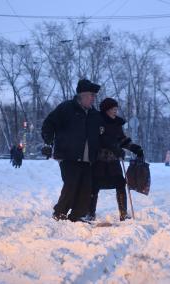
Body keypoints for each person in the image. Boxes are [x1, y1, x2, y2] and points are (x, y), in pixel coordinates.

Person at [41, 79, 103, 222]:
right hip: (68, 155)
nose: (93, 98)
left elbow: (102, 133)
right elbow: (48, 124)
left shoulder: (94, 114)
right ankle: (60, 212)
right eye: (91, 95)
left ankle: (77, 215)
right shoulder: (66, 108)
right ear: (82, 95)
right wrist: (48, 142)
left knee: (86, 187)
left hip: (88, 158)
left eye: (94, 96)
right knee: (71, 183)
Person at [88, 98, 144, 221]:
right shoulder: (98, 121)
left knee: (120, 184)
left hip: (113, 161)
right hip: (99, 161)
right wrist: (115, 148)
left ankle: (123, 213)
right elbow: (100, 139)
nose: (115, 111)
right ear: (107, 110)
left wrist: (134, 148)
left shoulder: (117, 123)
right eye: (113, 109)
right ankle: (90, 213)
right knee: (94, 186)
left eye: (116, 109)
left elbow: (122, 140)